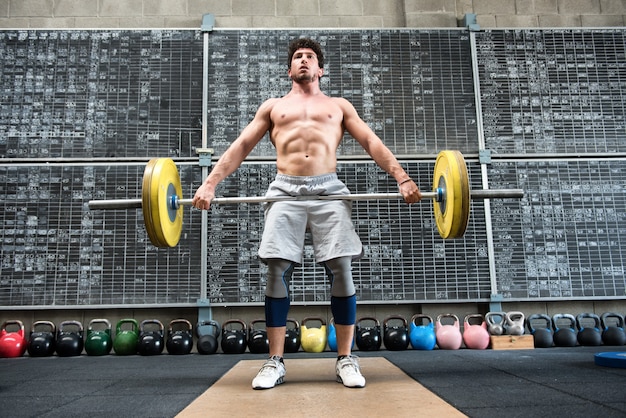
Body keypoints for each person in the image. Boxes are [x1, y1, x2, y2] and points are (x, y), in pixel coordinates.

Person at [192, 37, 422, 389]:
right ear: (289, 69)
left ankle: (345, 358)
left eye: (310, 57)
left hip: (329, 189)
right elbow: (240, 146)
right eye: (297, 57)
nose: (303, 60)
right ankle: (275, 362)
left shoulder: (339, 106)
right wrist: (209, 184)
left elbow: (371, 142)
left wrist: (402, 177)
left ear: (320, 69)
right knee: (276, 267)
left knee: (341, 266)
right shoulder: (273, 107)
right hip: (285, 189)